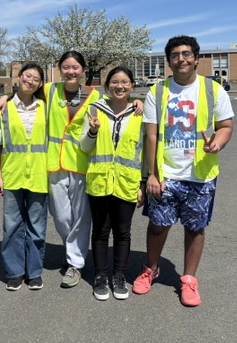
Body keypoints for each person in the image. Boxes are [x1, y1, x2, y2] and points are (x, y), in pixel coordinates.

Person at [133, 35, 233, 307]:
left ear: (197, 58)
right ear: (169, 61)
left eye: (187, 54)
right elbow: (151, 136)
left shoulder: (214, 89)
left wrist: (217, 144)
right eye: (175, 55)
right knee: (158, 226)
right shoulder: (157, 91)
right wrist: (152, 174)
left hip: (201, 175)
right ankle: (150, 269)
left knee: (195, 228)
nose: (181, 59)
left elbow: (226, 126)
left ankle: (189, 279)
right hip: (166, 174)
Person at [0, 51, 99, 288]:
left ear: (83, 69)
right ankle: (72, 252)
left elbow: (114, 105)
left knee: (81, 218)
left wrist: (138, 102)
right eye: (66, 67)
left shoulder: (94, 96)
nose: (71, 71)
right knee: (61, 217)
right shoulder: (50, 90)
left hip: (81, 164)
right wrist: (7, 98)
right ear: (60, 69)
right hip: (52, 164)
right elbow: (25, 90)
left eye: (75, 67)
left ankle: (75, 263)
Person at [80, 66, 145, 301]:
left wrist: (143, 185)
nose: (120, 86)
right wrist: (93, 132)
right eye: (115, 82)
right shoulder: (95, 110)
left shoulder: (140, 113)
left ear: (132, 86)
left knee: (123, 232)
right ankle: (100, 276)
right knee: (100, 232)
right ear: (107, 86)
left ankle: (119, 276)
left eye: (125, 82)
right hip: (99, 181)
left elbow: (145, 153)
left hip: (127, 182)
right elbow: (84, 147)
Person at [0, 63, 48, 291]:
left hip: (38, 175)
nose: (31, 81)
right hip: (12, 175)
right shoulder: (3, 108)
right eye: (28, 76)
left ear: (40, 84)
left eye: (36, 79)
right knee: (12, 226)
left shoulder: (45, 108)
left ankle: (34, 272)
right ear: (19, 76)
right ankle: (15, 271)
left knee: (37, 226)